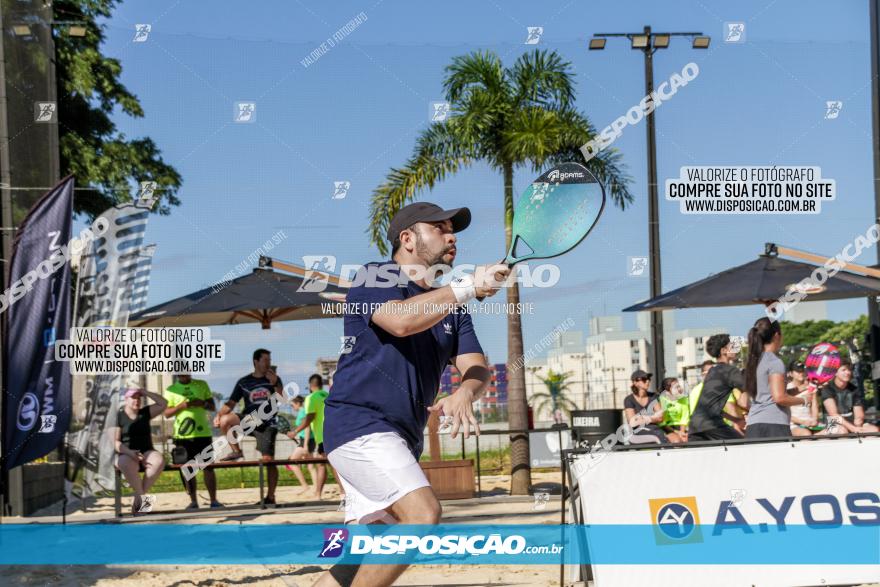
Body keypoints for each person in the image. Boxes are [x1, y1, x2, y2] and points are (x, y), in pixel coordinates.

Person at [316, 202, 509, 587]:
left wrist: (465, 392)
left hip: (400, 438)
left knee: (359, 559)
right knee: (422, 516)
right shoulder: (376, 275)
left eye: (453, 230)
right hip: (359, 425)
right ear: (407, 239)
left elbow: (477, 367)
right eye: (439, 228)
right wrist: (468, 285)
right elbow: (401, 321)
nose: (452, 236)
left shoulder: (452, 309)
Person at [214, 348, 285, 505]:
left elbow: (283, 398)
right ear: (256, 362)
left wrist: (275, 384)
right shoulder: (244, 382)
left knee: (268, 460)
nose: (268, 363)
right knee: (225, 420)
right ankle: (237, 452)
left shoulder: (274, 378)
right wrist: (218, 416)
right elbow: (231, 403)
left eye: (269, 360)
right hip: (250, 420)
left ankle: (271, 496)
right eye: (265, 360)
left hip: (268, 423)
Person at [164, 373, 222, 509]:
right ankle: (193, 501)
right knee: (187, 469)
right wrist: (182, 406)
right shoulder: (171, 389)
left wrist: (202, 403)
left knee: (208, 467)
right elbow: (166, 413)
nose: (184, 375)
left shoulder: (201, 384)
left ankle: (214, 500)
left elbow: (212, 407)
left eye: (186, 371)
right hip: (182, 436)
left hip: (203, 434)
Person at [744, 318, 807, 439]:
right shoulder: (774, 362)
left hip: (753, 425)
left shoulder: (754, 361)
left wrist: (799, 389)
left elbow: (767, 395)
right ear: (777, 335)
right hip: (774, 425)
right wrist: (803, 401)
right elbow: (779, 398)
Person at [113, 388, 167, 515]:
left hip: (147, 450)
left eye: (139, 398)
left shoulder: (145, 412)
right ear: (126, 400)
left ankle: (139, 498)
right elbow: (115, 442)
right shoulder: (118, 416)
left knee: (158, 460)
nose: (137, 400)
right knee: (125, 463)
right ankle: (142, 500)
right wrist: (131, 453)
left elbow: (163, 403)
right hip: (126, 452)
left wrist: (146, 392)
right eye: (133, 397)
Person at [689, 334, 748, 441]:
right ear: (724, 350)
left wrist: (735, 420)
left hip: (694, 425)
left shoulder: (712, 371)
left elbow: (712, 406)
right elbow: (748, 393)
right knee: (743, 447)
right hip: (711, 424)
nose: (735, 348)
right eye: (731, 345)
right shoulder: (730, 371)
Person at [289, 374, 333, 499]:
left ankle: (341, 494)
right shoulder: (327, 395)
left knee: (326, 465)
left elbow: (309, 421)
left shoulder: (311, 398)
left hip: (320, 437)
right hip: (331, 434)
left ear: (310, 385)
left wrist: (296, 432)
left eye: (292, 405)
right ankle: (317, 492)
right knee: (317, 464)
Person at [820, 359, 879, 435]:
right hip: (833, 422)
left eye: (849, 370)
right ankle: (816, 436)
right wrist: (853, 428)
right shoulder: (827, 389)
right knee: (842, 431)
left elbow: (859, 414)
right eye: (843, 370)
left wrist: (858, 424)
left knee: (874, 430)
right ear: (835, 373)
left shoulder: (854, 389)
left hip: (851, 422)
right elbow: (833, 415)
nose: (848, 372)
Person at [623, 370, 670, 443]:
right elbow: (632, 422)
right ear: (635, 382)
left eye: (648, 379)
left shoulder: (653, 396)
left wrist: (644, 418)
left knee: (676, 439)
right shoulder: (629, 399)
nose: (648, 381)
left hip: (654, 429)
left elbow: (661, 418)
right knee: (659, 436)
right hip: (636, 433)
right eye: (644, 379)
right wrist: (653, 417)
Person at [284, 395, 312, 493]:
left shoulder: (303, 412)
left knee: (292, 462)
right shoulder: (302, 412)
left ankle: (305, 486)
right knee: (311, 466)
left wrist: (305, 445)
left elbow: (307, 427)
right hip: (304, 440)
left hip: (305, 441)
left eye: (292, 405)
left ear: (298, 403)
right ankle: (316, 489)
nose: (292, 407)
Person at [786, 360, 820, 436]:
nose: (801, 373)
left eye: (802, 370)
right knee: (806, 434)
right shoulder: (787, 389)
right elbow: (785, 414)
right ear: (791, 373)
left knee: (837, 430)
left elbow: (815, 406)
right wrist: (802, 422)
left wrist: (814, 419)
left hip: (810, 424)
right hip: (793, 425)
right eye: (798, 371)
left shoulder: (811, 386)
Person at [658, 377, 688, 442]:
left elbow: (684, 418)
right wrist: (677, 432)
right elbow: (662, 423)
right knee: (676, 441)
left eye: (679, 386)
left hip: (680, 427)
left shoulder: (684, 399)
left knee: (687, 439)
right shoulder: (661, 400)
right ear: (667, 390)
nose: (680, 388)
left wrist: (682, 432)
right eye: (676, 387)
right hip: (666, 428)